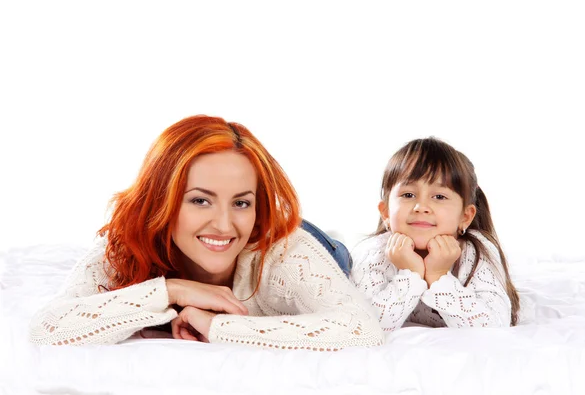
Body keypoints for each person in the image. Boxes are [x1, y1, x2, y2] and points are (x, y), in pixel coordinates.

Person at [29, 115, 384, 351]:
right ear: (160, 201)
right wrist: (173, 290)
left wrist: (217, 327)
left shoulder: (282, 252)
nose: (223, 223)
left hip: (305, 243)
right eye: (200, 200)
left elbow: (361, 329)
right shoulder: (127, 242)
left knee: (341, 256)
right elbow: (47, 328)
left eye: (242, 202)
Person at [351, 137, 520, 331]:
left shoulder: (475, 251)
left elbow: (494, 325)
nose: (421, 207)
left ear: (465, 217)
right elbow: (364, 326)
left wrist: (438, 276)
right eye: (408, 195)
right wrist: (410, 274)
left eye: (439, 197)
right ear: (386, 212)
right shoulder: (373, 252)